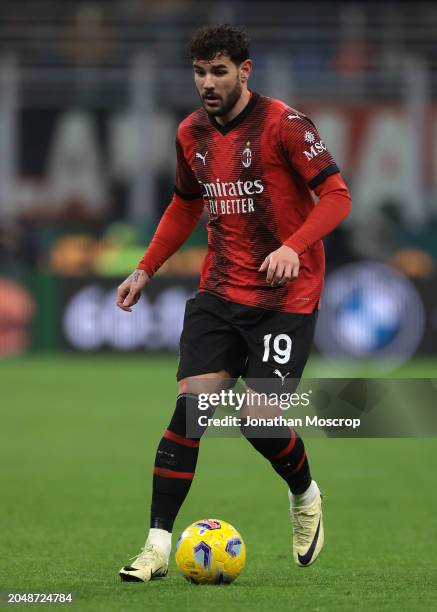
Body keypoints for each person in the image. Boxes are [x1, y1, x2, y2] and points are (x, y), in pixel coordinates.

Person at [116, 24, 351, 582]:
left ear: (245, 71)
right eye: (199, 72)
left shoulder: (284, 125)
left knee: (257, 419)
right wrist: (145, 267)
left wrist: (294, 246)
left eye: (218, 71)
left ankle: (305, 495)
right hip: (220, 292)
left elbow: (337, 196)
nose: (207, 83)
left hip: (286, 298)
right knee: (190, 409)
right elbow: (183, 205)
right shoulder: (190, 133)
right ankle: (155, 546)